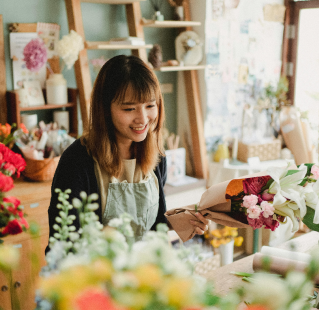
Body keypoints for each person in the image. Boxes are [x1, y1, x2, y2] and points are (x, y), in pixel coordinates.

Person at [47, 55, 208, 249]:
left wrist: (178, 220)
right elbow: (61, 245)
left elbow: (150, 227)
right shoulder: (77, 161)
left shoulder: (157, 156)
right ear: (105, 109)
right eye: (129, 108)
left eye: (150, 106)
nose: (142, 119)